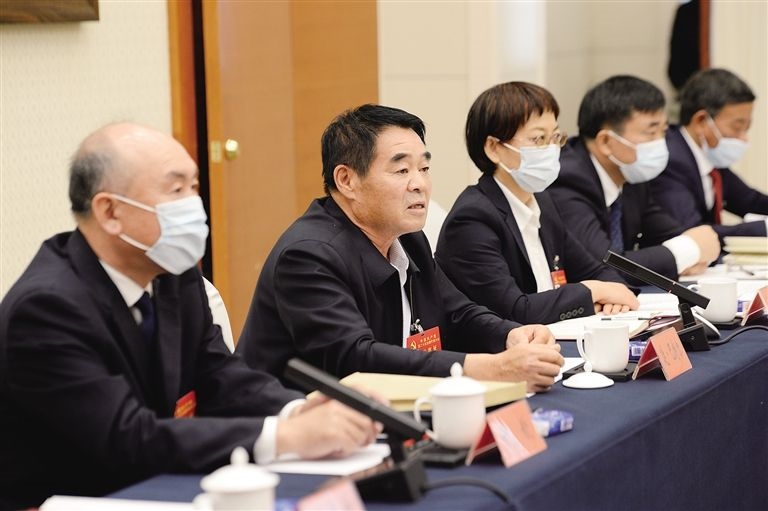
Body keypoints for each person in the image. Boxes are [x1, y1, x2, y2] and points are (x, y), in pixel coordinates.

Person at [0, 123, 380, 509]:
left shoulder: (173, 273)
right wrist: (285, 436)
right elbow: (127, 437)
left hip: (158, 485)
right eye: (176, 189)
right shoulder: (46, 309)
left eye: (194, 186)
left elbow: (219, 373)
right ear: (110, 211)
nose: (194, 204)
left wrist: (296, 410)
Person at [237, 104, 564, 393]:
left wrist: (510, 336)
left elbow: (457, 312)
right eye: (402, 170)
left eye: (424, 168)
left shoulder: (407, 238)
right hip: (299, 425)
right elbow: (356, 359)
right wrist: (489, 369)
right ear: (347, 181)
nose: (419, 184)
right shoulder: (308, 256)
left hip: (394, 408)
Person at [435, 82, 638, 325]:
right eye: (538, 138)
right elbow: (516, 310)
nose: (551, 149)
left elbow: (597, 271)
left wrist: (611, 293)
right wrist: (593, 291)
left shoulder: (542, 200)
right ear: (494, 148)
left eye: (555, 137)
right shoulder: (472, 218)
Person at [548, 75, 720, 282]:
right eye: (651, 132)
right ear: (606, 141)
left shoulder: (630, 175)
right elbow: (605, 266)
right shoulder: (568, 179)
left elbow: (670, 233)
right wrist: (685, 253)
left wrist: (695, 247)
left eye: (664, 131)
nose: (661, 143)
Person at [650, 68, 768, 239]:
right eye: (737, 127)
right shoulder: (670, 160)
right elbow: (692, 232)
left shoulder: (712, 160)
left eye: (746, 128)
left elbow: (752, 201)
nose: (744, 138)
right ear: (701, 121)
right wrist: (763, 228)